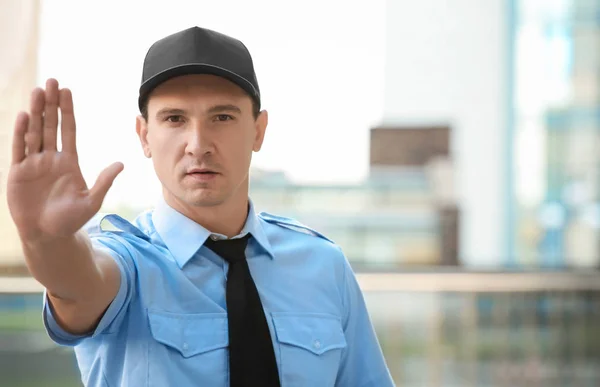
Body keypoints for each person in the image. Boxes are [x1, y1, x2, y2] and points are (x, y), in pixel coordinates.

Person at [7, 26, 394, 387]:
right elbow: (78, 282)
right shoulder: (128, 262)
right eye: (174, 118)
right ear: (145, 136)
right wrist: (45, 240)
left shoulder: (323, 265)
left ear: (258, 131)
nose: (198, 143)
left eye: (222, 117)